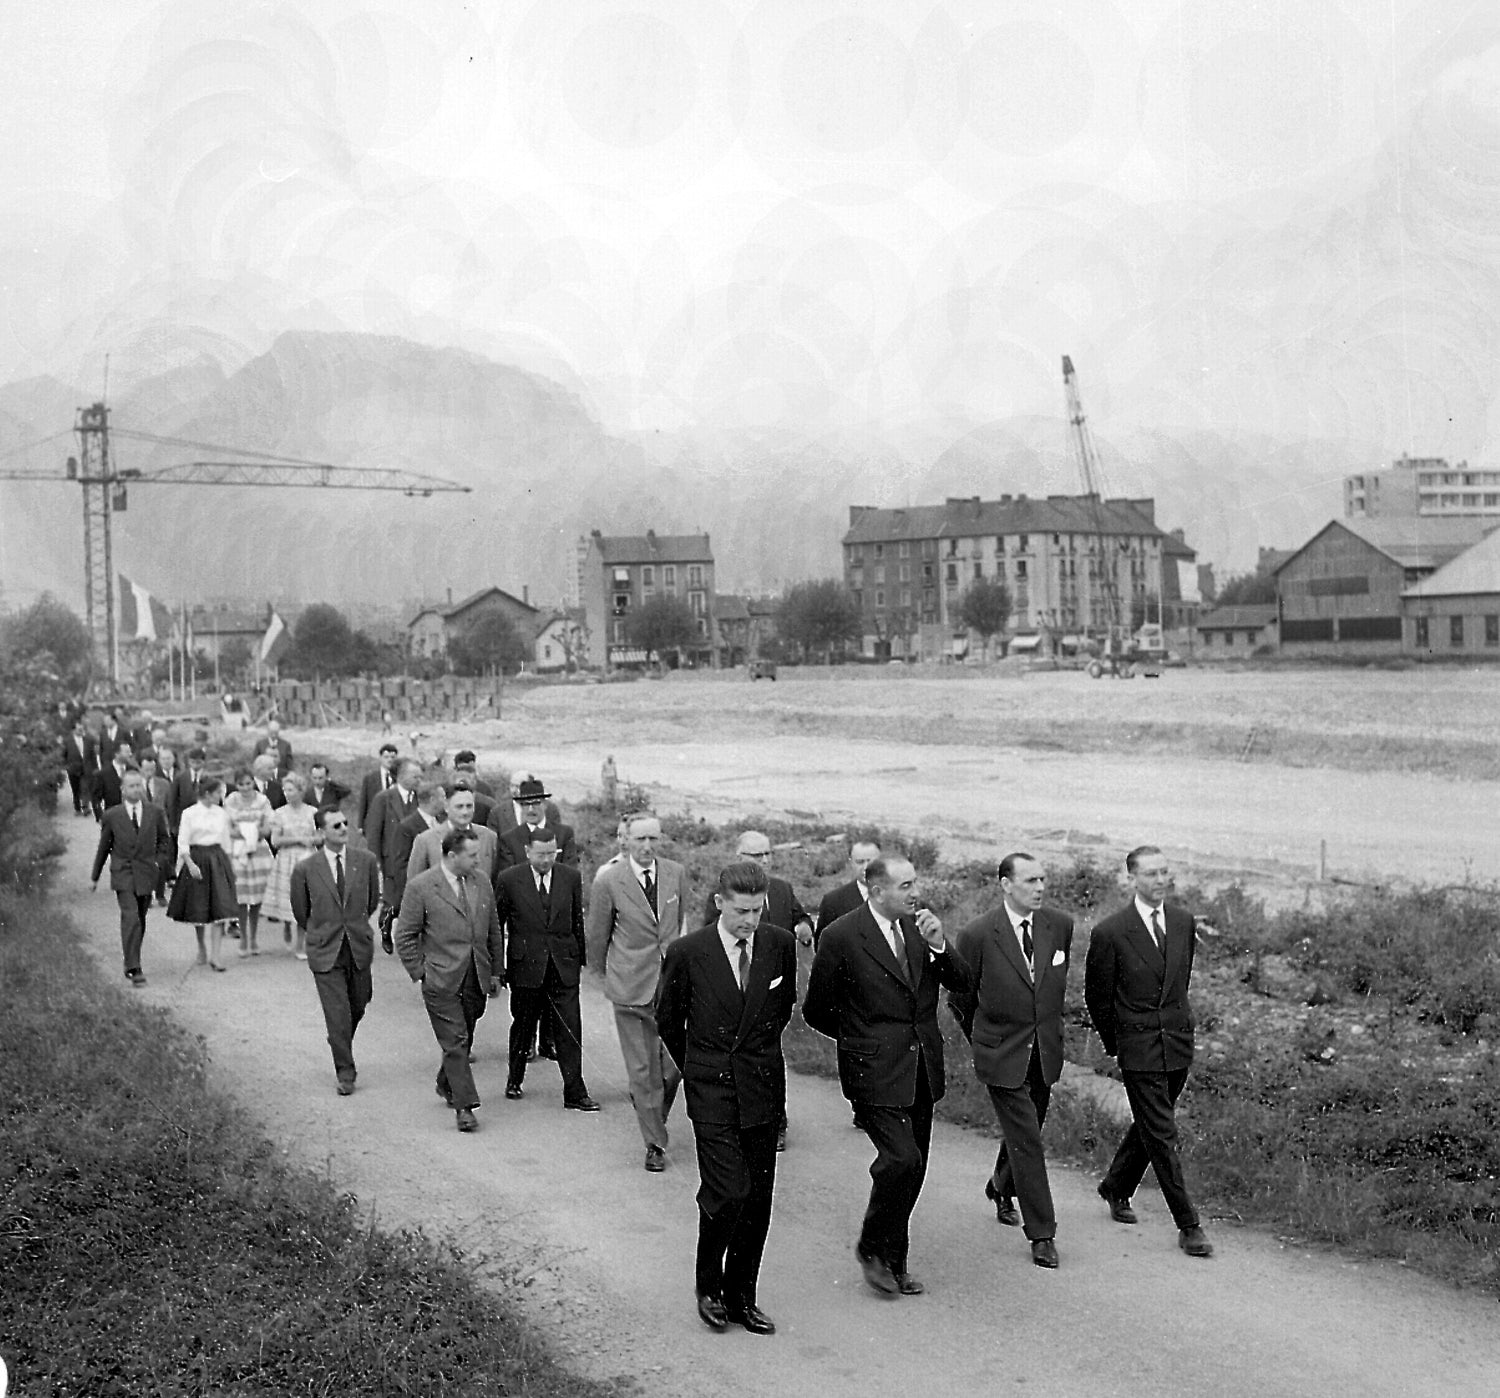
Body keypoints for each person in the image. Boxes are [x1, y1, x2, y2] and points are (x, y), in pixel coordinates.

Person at [802, 855, 972, 1297]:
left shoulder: (920, 928)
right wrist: (861, 1039)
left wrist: (939, 945)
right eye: (905, 886)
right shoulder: (842, 935)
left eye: (916, 883)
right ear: (877, 891)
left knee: (914, 1169)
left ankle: (894, 1262)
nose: (915, 893)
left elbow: (962, 981)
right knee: (901, 1159)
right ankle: (872, 1247)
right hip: (872, 1070)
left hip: (920, 1069)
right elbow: (817, 1008)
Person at [657, 861, 798, 1336]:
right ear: (719, 903)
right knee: (728, 1191)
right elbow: (668, 1019)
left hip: (761, 1086)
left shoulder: (778, 946)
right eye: (741, 911)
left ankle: (743, 1298)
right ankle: (708, 1287)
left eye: (757, 911)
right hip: (712, 1087)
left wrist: (754, 1056)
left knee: (758, 1200)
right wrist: (700, 1066)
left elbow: (782, 1008)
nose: (750, 921)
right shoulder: (688, 952)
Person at [1085, 845, 1214, 1259]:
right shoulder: (1110, 932)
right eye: (1151, 874)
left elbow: (1180, 982)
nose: (1160, 881)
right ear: (1131, 879)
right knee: (1162, 1132)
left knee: (1150, 1123)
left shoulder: (1182, 922)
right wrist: (1118, 1044)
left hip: (1176, 1043)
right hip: (1137, 1047)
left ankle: (1117, 1185)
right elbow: (1098, 998)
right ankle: (1188, 1224)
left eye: (1165, 873)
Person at [949, 853, 1074, 1269]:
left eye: (1043, 879)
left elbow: (1051, 989)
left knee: (1028, 1129)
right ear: (1005, 884)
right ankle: (1042, 1232)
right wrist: (985, 1043)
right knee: (1028, 1139)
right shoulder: (978, 934)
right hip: (1001, 1053)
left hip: (1044, 1051)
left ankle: (1000, 1185)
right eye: (1029, 880)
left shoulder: (1060, 926)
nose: (1039, 887)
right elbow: (961, 997)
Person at [586, 813, 690, 1171]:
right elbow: (597, 936)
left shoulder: (676, 873)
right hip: (630, 985)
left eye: (654, 840)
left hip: (672, 984)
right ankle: (654, 1144)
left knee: (675, 1066)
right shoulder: (609, 880)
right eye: (640, 840)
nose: (647, 847)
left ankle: (651, 1113)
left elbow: (680, 926)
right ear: (625, 841)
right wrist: (604, 976)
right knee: (643, 1068)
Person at [701, 830, 812, 1151]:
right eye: (755, 856)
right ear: (739, 857)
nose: (763, 861)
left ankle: (777, 1121)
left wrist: (804, 926)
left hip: (775, 988)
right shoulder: (722, 894)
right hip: (739, 988)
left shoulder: (780, 889)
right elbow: (710, 941)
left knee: (771, 1058)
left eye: (766, 855)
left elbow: (799, 916)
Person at [394, 828, 505, 1133]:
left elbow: (493, 928)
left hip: (476, 975)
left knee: (462, 1036)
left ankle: (447, 1082)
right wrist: (420, 973)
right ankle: (465, 1107)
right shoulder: (422, 886)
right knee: (456, 1040)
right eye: (472, 855)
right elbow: (404, 935)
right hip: (440, 979)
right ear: (452, 856)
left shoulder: (481, 882)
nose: (478, 860)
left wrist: (496, 970)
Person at [494, 826, 598, 1110]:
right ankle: (515, 1079)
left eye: (552, 853)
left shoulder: (570, 877)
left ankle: (575, 1092)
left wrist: (579, 961)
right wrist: (498, 967)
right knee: (523, 1024)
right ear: (528, 852)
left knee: (569, 1028)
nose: (546, 860)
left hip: (563, 965)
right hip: (526, 965)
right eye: (540, 854)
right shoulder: (509, 879)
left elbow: (577, 921)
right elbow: (496, 924)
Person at [291, 807, 381, 1095]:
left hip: (357, 944)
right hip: (325, 947)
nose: (344, 828)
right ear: (320, 833)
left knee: (358, 1003)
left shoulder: (365, 861)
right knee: (337, 1012)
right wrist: (324, 929)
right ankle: (345, 1070)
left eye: (345, 823)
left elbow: (370, 902)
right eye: (335, 825)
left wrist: (354, 925)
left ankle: (338, 1039)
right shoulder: (306, 868)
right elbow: (301, 911)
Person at [89, 768, 172, 987]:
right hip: (123, 872)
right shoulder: (112, 815)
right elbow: (104, 847)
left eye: (139, 785)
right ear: (123, 789)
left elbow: (164, 840)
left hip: (146, 871)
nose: (136, 790)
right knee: (131, 916)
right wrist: (95, 876)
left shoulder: (154, 812)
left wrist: (158, 862)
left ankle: (132, 958)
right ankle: (134, 967)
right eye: (131, 786)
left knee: (140, 918)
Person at [167, 775, 238, 969]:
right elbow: (183, 841)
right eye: (217, 793)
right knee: (199, 906)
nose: (220, 797)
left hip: (217, 858)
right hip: (197, 858)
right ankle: (201, 948)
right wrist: (189, 864)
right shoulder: (189, 813)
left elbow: (226, 841)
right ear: (207, 794)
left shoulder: (222, 813)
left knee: (220, 906)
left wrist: (230, 866)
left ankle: (216, 955)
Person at [263, 771, 319, 957]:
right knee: (289, 899)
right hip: (287, 859)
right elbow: (275, 841)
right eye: (285, 790)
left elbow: (319, 836)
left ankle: (300, 944)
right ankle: (287, 925)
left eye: (291, 790)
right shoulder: (279, 813)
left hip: (307, 859)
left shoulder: (312, 812)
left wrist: (312, 839)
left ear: (301, 791)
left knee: (305, 901)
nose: (287, 793)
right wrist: (296, 839)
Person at [224, 767, 275, 956]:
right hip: (239, 850)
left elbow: (269, 824)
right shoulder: (231, 801)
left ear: (253, 782)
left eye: (248, 783)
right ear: (236, 785)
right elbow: (227, 825)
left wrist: (258, 832)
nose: (245, 788)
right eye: (241, 784)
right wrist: (244, 832)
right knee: (241, 897)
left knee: (257, 899)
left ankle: (254, 938)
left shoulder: (262, 800)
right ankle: (243, 938)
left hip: (258, 851)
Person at [408, 786, 497, 887]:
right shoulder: (426, 840)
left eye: (469, 806)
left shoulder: (489, 837)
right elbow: (414, 884)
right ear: (446, 807)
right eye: (459, 806)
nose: (465, 812)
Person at [494, 775, 576, 871]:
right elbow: (508, 877)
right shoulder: (509, 840)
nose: (530, 809)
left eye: (535, 803)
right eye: (525, 804)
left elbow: (570, 872)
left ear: (545, 804)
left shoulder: (564, 834)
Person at [814, 839, 882, 948]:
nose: (865, 867)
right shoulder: (834, 901)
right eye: (860, 862)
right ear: (851, 863)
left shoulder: (898, 896)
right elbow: (823, 948)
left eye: (870, 861)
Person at [487, 772, 562, 840]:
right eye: (512, 786)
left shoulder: (550, 809)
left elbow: (558, 837)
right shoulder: (497, 813)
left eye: (518, 786)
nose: (514, 790)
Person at [355, 741, 399, 834]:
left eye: (393, 757)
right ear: (380, 758)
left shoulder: (400, 778)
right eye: (386, 757)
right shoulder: (370, 778)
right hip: (374, 822)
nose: (389, 760)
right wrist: (360, 825)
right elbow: (364, 801)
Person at [61, 717, 97, 817]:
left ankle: (85, 807)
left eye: (82, 729)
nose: (81, 731)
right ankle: (77, 808)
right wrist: (66, 766)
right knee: (76, 789)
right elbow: (63, 754)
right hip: (73, 769)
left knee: (85, 788)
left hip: (86, 768)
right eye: (79, 730)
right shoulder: (67, 741)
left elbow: (92, 755)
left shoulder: (88, 740)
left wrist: (95, 767)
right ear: (74, 730)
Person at [96, 741, 135, 811]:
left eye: (130, 751)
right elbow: (96, 799)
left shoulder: (133, 771)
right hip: (112, 815)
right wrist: (100, 816)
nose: (130, 754)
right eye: (127, 752)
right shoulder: (103, 774)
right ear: (117, 754)